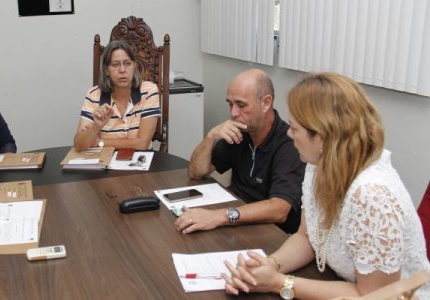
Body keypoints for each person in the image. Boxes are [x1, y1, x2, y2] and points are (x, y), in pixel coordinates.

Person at [223, 73, 430, 299]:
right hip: (340, 284)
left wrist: (279, 283)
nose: (289, 135)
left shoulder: (372, 194)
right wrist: (270, 265)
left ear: (321, 137)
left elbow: (375, 294)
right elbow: (306, 237)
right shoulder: (317, 163)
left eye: (294, 128)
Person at [174, 69, 305, 234]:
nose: (233, 113)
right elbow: (196, 172)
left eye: (241, 105)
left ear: (266, 103)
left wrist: (218, 216)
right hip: (234, 219)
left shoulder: (289, 144)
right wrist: (211, 137)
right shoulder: (241, 131)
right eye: (230, 104)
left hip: (269, 232)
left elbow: (279, 210)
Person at [73, 40, 161, 151]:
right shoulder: (93, 95)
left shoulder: (148, 90)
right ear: (106, 71)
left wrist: (100, 142)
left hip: (139, 161)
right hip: (103, 161)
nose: (122, 70)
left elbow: (142, 144)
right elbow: (79, 145)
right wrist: (96, 126)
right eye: (115, 65)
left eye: (127, 63)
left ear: (134, 66)